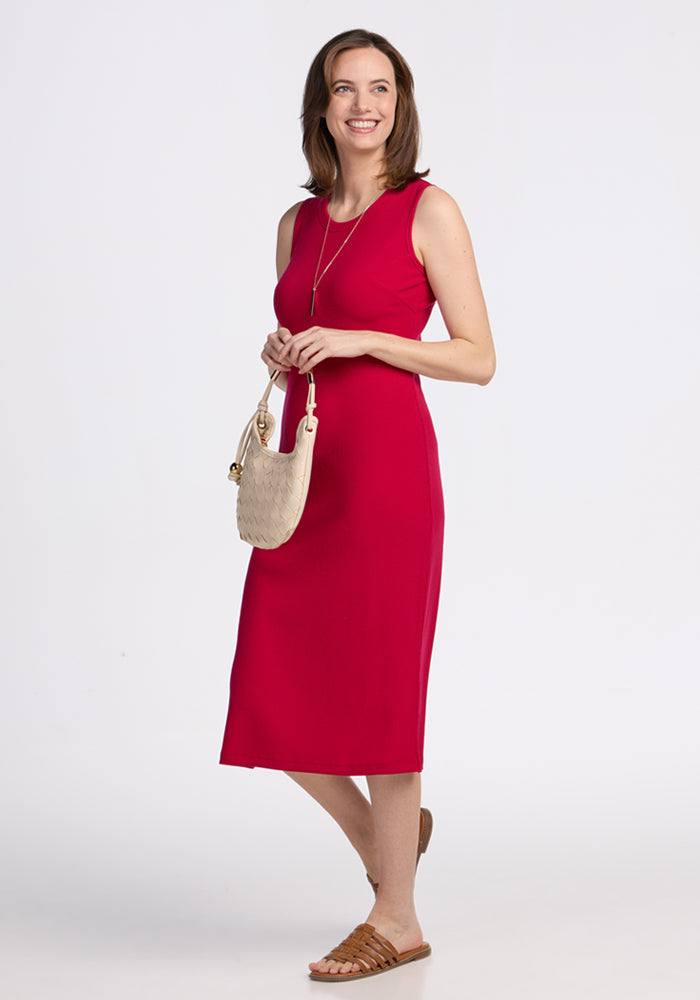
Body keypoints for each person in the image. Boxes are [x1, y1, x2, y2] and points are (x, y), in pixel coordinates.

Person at [220, 28, 495, 981]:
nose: (363, 105)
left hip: (383, 477)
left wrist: (368, 341)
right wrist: (288, 346)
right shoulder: (297, 224)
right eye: (345, 89)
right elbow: (305, 325)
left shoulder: (429, 210)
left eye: (380, 89)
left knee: (379, 688)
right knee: (270, 685)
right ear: (321, 108)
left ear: (400, 104)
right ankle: (393, 837)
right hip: (305, 472)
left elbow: (477, 357)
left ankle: (398, 918)